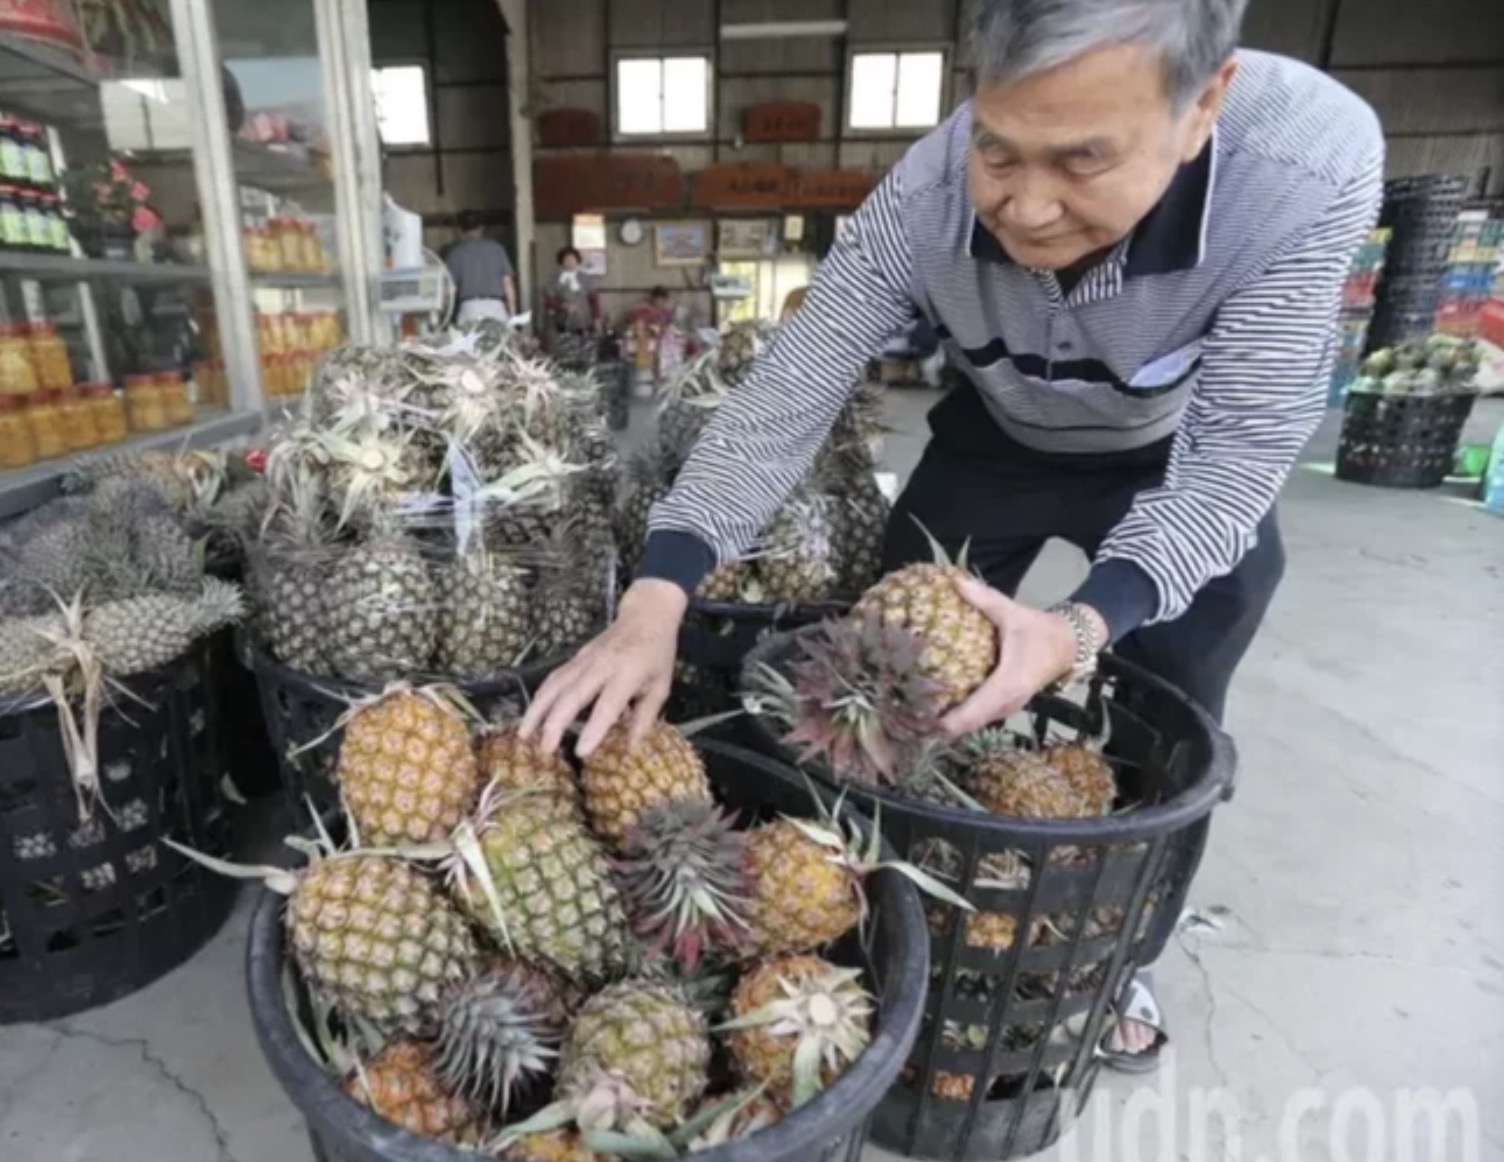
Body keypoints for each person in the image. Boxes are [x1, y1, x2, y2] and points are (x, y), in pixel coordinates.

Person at [524, 0, 1384, 1072]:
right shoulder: (926, 192)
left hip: (1179, 451)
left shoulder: (1306, 161)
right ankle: (887, 913)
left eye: (1081, 160)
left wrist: (1082, 622)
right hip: (997, 435)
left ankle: (1117, 953)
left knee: (1173, 719)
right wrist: (657, 593)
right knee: (880, 683)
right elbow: (788, 392)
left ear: (1202, 105)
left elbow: (1241, 449)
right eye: (998, 147)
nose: (1025, 206)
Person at [443, 211, 516, 326]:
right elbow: (508, 284)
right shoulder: (497, 249)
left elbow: (449, 289)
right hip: (496, 308)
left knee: (467, 343)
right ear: (482, 228)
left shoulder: (455, 253)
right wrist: (512, 314)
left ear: (460, 230)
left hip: (469, 308)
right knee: (500, 343)